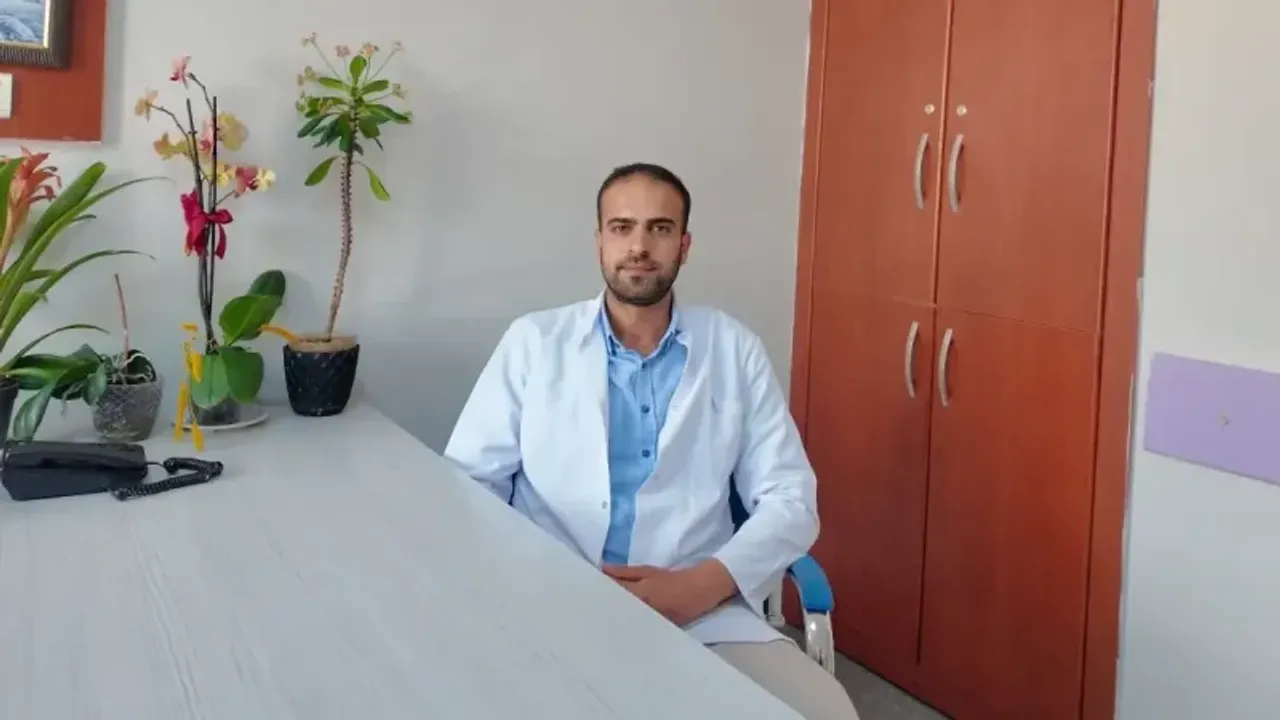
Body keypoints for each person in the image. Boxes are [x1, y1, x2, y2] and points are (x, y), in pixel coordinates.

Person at [444, 163, 858, 720]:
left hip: (701, 613)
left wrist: (701, 586)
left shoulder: (733, 349)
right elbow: (467, 486)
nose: (639, 246)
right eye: (622, 227)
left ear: (684, 246)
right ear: (599, 240)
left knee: (823, 713)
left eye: (660, 229)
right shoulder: (534, 342)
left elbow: (791, 499)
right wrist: (538, 581)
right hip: (549, 604)